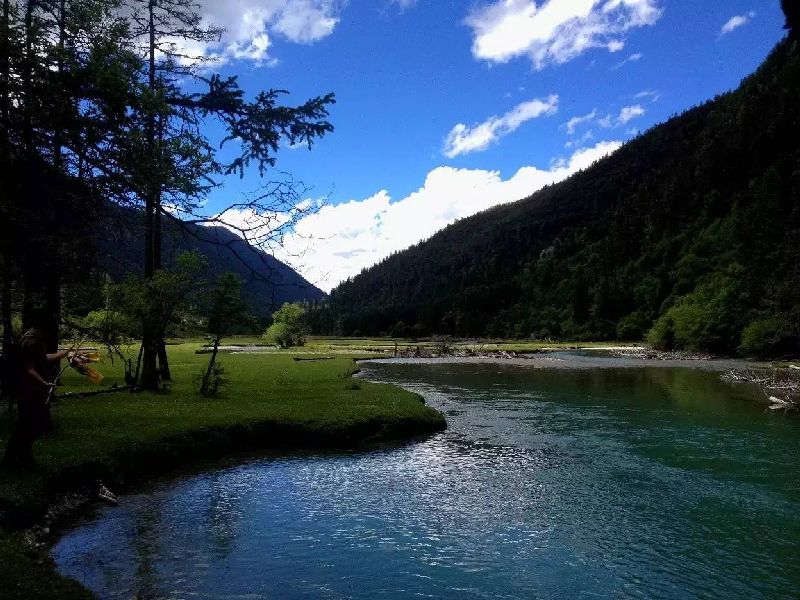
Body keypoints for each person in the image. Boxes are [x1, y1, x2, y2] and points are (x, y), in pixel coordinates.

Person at [3, 328, 71, 469]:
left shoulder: (30, 346)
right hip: (29, 393)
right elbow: (30, 369)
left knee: (27, 427)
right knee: (26, 428)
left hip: (29, 393)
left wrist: (62, 354)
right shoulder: (31, 344)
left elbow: (43, 357)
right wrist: (44, 383)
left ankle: (23, 460)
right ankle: (11, 462)